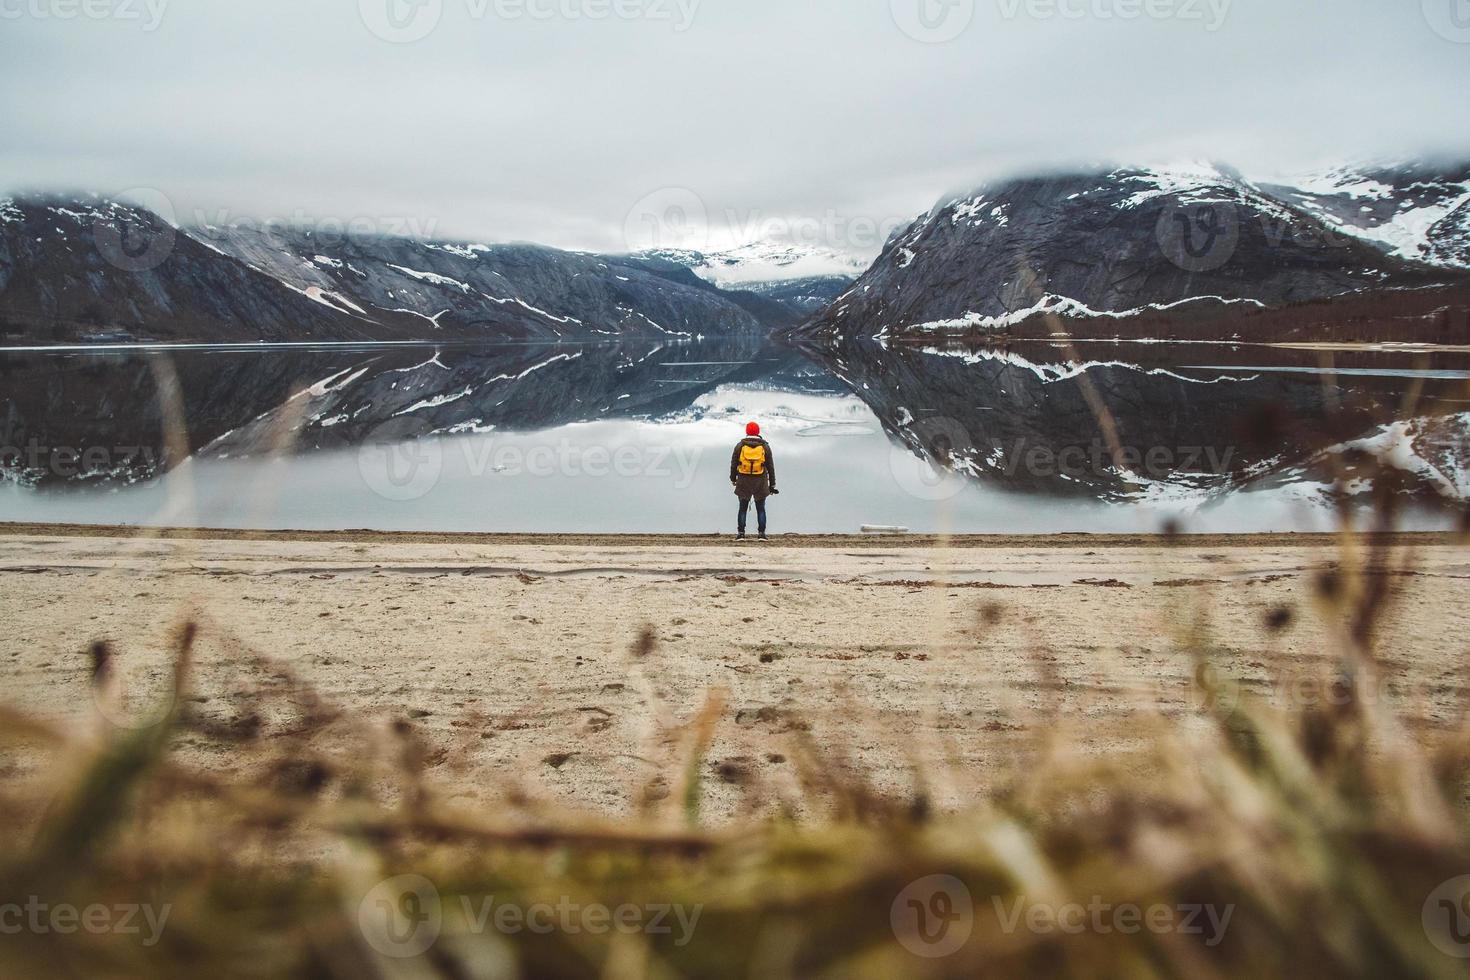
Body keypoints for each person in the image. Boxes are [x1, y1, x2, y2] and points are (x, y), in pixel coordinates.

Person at [730, 421, 778, 540]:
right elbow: (770, 467)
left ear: (747, 431)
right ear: (758, 432)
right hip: (760, 480)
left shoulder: (740, 445)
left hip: (743, 480)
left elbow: (734, 463)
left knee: (742, 508)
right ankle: (761, 534)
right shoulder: (765, 446)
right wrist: (772, 484)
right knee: (761, 508)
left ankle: (741, 534)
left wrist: (733, 478)